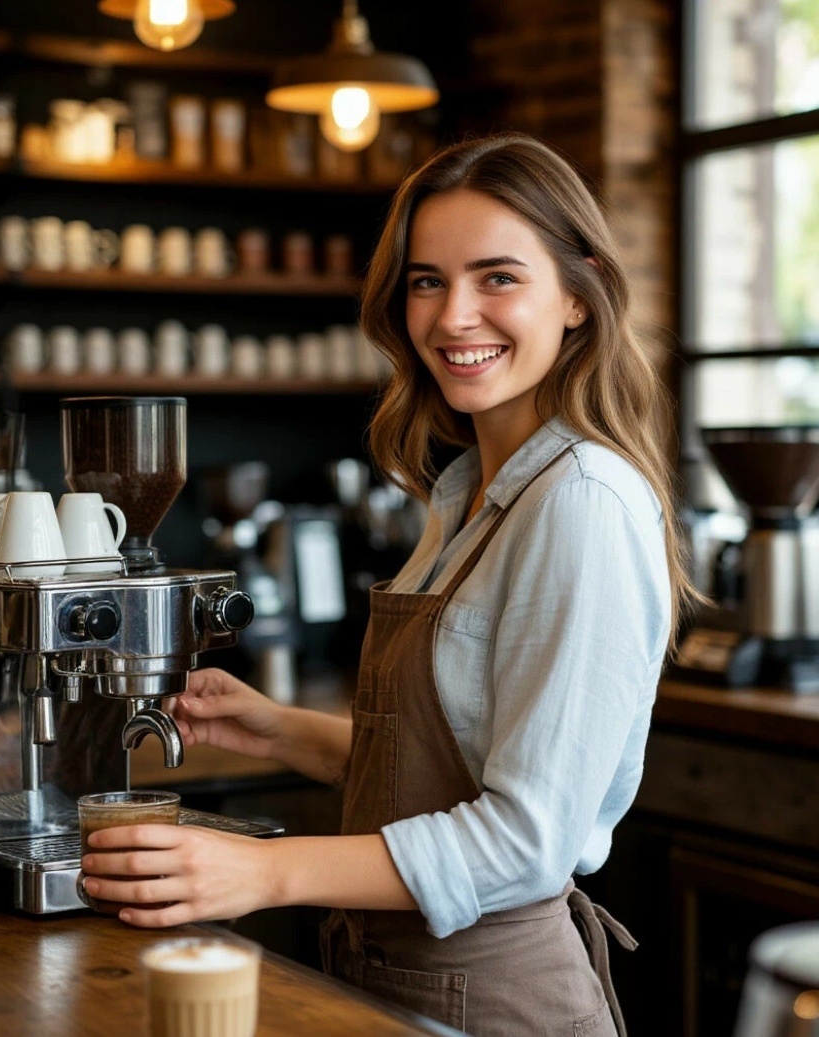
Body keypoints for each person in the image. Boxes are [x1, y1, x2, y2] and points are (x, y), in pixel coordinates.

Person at [80, 132, 696, 1037]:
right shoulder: (469, 491)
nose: (453, 317)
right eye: (426, 281)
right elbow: (466, 759)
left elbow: (526, 842)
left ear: (576, 295)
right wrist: (284, 731)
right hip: (387, 974)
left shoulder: (581, 502)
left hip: (495, 995)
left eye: (497, 278)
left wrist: (261, 872)